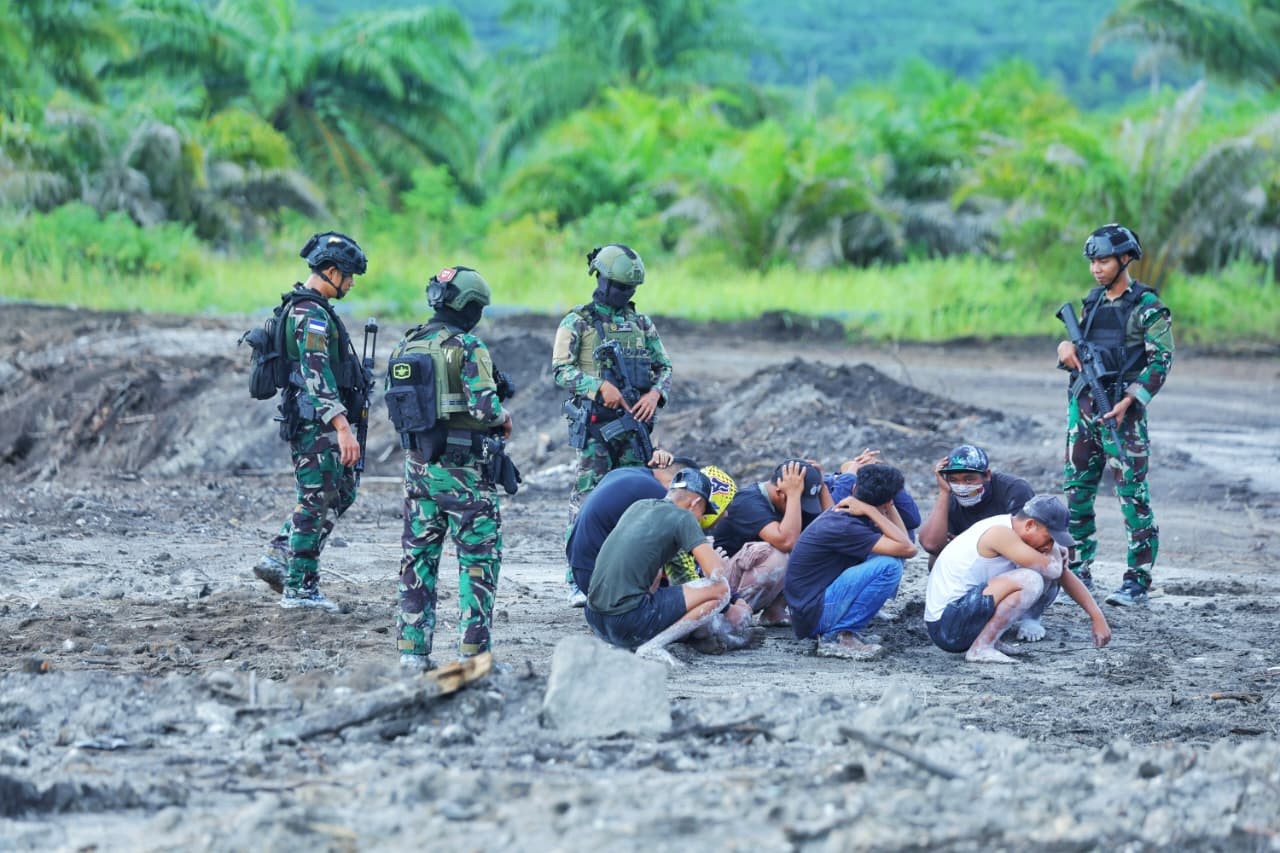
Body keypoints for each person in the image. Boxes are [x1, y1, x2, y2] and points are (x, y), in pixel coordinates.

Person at [384, 266, 514, 670]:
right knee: (477, 561)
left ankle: (412, 653)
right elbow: (485, 408)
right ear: (469, 306)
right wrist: (502, 414)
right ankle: (473, 656)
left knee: (418, 559)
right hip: (465, 476)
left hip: (418, 470)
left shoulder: (408, 343)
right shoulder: (468, 346)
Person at [252, 231, 370, 611]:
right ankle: (301, 588)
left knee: (341, 491)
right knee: (315, 500)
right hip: (316, 423)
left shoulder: (312, 309)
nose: (351, 284)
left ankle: (281, 552)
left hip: (317, 421)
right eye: (348, 276)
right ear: (331, 271)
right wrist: (342, 427)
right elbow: (316, 375)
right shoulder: (311, 314)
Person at [1058, 224, 1174, 606]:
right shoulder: (1091, 304)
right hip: (1085, 410)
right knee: (1076, 493)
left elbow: (1161, 361)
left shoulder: (1147, 307)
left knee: (1132, 495)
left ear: (1126, 259)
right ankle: (1077, 572)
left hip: (1123, 415)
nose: (1096, 268)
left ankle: (1137, 579)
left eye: (1103, 260)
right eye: (1092, 261)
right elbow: (1081, 351)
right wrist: (1064, 350)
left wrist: (1131, 399)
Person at [553, 243, 674, 607]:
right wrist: (597, 386)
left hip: (634, 428)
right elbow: (562, 370)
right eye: (618, 286)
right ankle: (577, 578)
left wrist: (655, 395)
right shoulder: (578, 322)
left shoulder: (641, 324)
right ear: (600, 279)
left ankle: (630, 575)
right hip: (596, 428)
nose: (623, 294)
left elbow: (664, 367)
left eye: (629, 289)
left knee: (637, 502)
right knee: (588, 502)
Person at [924, 495, 1111, 664]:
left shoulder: (1018, 535)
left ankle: (991, 641)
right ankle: (981, 648)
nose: (1050, 545)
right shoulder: (999, 532)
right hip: (946, 626)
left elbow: (1061, 574)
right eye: (1049, 538)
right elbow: (1053, 570)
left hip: (962, 617)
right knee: (1030, 580)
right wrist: (1055, 554)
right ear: (1030, 525)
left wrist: (1097, 617)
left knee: (1044, 575)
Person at [585, 468, 734, 650]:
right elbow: (716, 573)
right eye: (704, 511)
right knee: (721, 590)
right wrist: (716, 558)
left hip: (595, 619)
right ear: (695, 503)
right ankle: (653, 647)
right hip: (627, 623)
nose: (702, 518)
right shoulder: (684, 516)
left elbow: (653, 577)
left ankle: (631, 643)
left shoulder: (639, 506)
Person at [784, 464, 918, 660]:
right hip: (814, 617)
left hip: (812, 609)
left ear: (854, 489)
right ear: (889, 500)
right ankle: (841, 635)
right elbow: (909, 549)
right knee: (890, 566)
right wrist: (875, 511)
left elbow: (903, 542)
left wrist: (877, 508)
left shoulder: (851, 514)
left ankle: (844, 629)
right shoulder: (845, 524)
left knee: (892, 551)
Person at [567, 457, 736, 595]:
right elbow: (682, 571)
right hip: (597, 581)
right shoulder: (658, 498)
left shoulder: (630, 474)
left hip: (581, 569)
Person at [707, 458, 833, 625]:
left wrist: (821, 486)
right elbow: (786, 542)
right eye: (798, 501)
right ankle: (732, 617)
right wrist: (794, 494)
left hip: (742, 579)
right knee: (778, 555)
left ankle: (775, 611)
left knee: (821, 550)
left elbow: (834, 529)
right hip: (718, 582)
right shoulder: (747, 500)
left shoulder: (789, 502)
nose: (802, 509)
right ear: (780, 492)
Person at [917, 444, 1034, 568]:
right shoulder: (950, 499)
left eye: (969, 479)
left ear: (987, 475)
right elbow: (931, 545)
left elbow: (1028, 537)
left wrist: (969, 543)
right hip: (970, 568)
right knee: (937, 557)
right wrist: (943, 492)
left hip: (1010, 562)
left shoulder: (1013, 490)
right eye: (954, 480)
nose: (961, 487)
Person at [823, 449, 922, 539]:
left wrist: (885, 475)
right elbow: (833, 519)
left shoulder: (858, 484)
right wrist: (849, 476)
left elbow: (913, 520)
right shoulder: (825, 484)